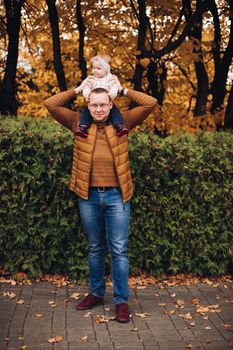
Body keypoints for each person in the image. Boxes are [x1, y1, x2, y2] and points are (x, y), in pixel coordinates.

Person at [44, 82, 157, 323]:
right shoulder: (77, 122)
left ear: (110, 104)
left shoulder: (123, 121)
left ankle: (121, 301)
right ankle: (96, 293)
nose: (98, 109)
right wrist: (77, 89)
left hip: (118, 195)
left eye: (103, 104)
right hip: (88, 196)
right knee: (95, 247)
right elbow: (50, 104)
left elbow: (150, 103)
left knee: (118, 249)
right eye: (94, 105)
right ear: (88, 105)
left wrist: (123, 90)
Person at [74, 55, 129, 138]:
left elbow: (114, 87)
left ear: (106, 70)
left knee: (115, 111)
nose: (95, 71)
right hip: (92, 101)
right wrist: (87, 94)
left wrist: (113, 93)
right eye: (93, 68)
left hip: (107, 101)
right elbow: (86, 87)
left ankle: (119, 126)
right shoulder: (91, 79)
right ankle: (83, 127)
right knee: (85, 112)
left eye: (99, 69)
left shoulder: (110, 78)